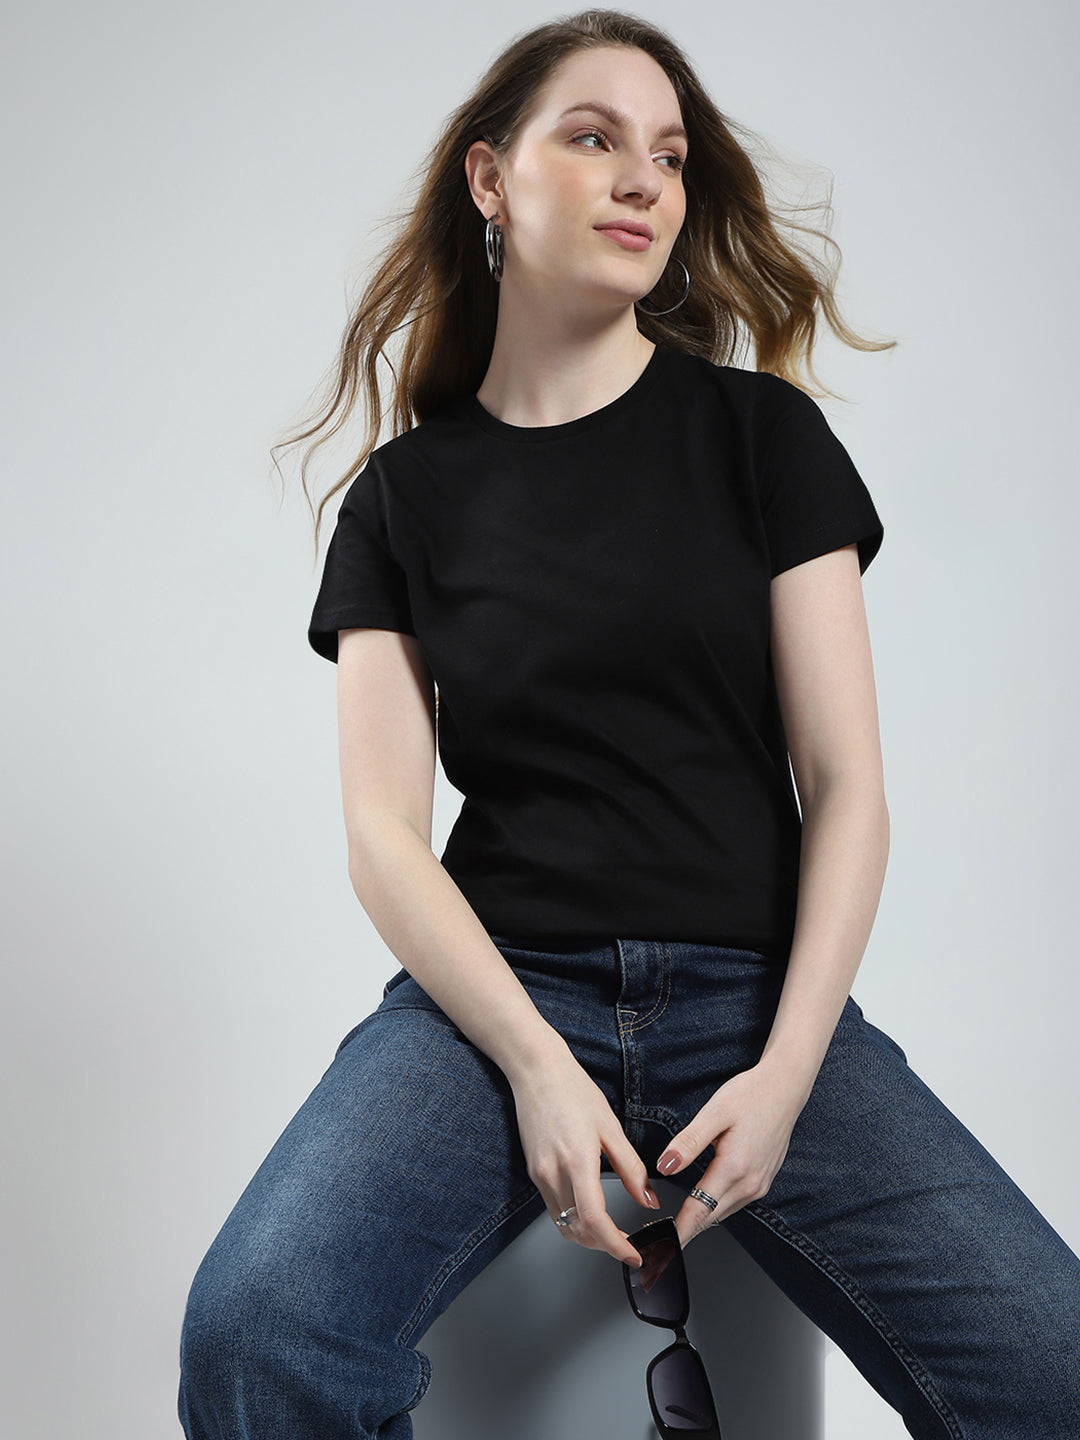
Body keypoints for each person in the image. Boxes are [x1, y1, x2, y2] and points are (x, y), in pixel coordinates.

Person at [177, 11, 1080, 1439]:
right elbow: (382, 833)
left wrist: (788, 1074)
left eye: (667, 153)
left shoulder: (762, 438)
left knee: (1054, 1370)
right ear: (491, 178)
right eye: (593, 137)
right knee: (259, 1329)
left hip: (755, 1002)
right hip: (494, 1007)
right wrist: (535, 1064)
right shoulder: (404, 501)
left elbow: (847, 786)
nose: (643, 180)